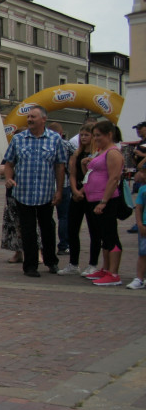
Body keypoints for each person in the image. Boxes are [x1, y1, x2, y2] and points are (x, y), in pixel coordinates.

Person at [1, 105, 68, 278]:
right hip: (23, 193)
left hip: (46, 193)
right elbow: (9, 162)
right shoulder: (18, 139)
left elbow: (60, 166)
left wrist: (59, 190)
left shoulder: (55, 139)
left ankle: (51, 261)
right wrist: (9, 178)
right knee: (28, 230)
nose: (29, 120)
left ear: (43, 119)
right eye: (28, 117)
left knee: (48, 228)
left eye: (33, 117)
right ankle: (30, 266)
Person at [82, 120, 125, 286]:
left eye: (98, 135)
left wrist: (104, 201)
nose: (96, 139)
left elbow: (114, 178)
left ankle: (114, 272)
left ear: (109, 135)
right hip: (94, 198)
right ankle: (106, 268)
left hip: (106, 199)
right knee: (103, 235)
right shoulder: (102, 151)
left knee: (110, 235)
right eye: (95, 135)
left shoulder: (113, 153)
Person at [59, 121, 99, 275]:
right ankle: (73, 263)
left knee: (94, 230)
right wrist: (75, 190)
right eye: (81, 135)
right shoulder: (77, 154)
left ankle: (92, 263)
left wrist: (82, 190)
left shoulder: (96, 155)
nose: (83, 138)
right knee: (72, 228)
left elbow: (94, 176)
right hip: (76, 195)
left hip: (91, 195)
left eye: (86, 135)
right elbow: (73, 173)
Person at [49, 122, 75, 255]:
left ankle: (46, 247)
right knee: (64, 217)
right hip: (63, 184)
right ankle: (63, 245)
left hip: (47, 185)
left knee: (46, 218)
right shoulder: (66, 144)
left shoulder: (44, 143)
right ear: (61, 133)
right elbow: (74, 159)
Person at [127, 163, 146, 289]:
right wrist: (139, 224)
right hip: (144, 225)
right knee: (143, 252)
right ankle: (139, 278)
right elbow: (138, 208)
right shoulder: (143, 189)